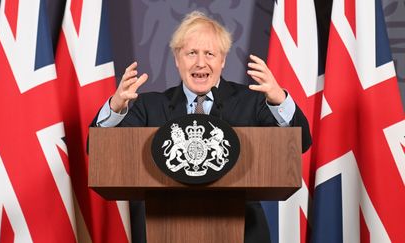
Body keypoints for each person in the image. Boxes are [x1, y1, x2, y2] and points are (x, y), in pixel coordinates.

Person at [91, 11, 311, 243]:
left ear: (223, 60)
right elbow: (99, 151)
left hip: (244, 233)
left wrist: (279, 100)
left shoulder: (252, 101)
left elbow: (301, 143)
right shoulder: (148, 106)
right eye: (191, 53)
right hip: (161, 231)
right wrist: (115, 107)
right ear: (177, 59)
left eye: (210, 54)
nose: (200, 62)